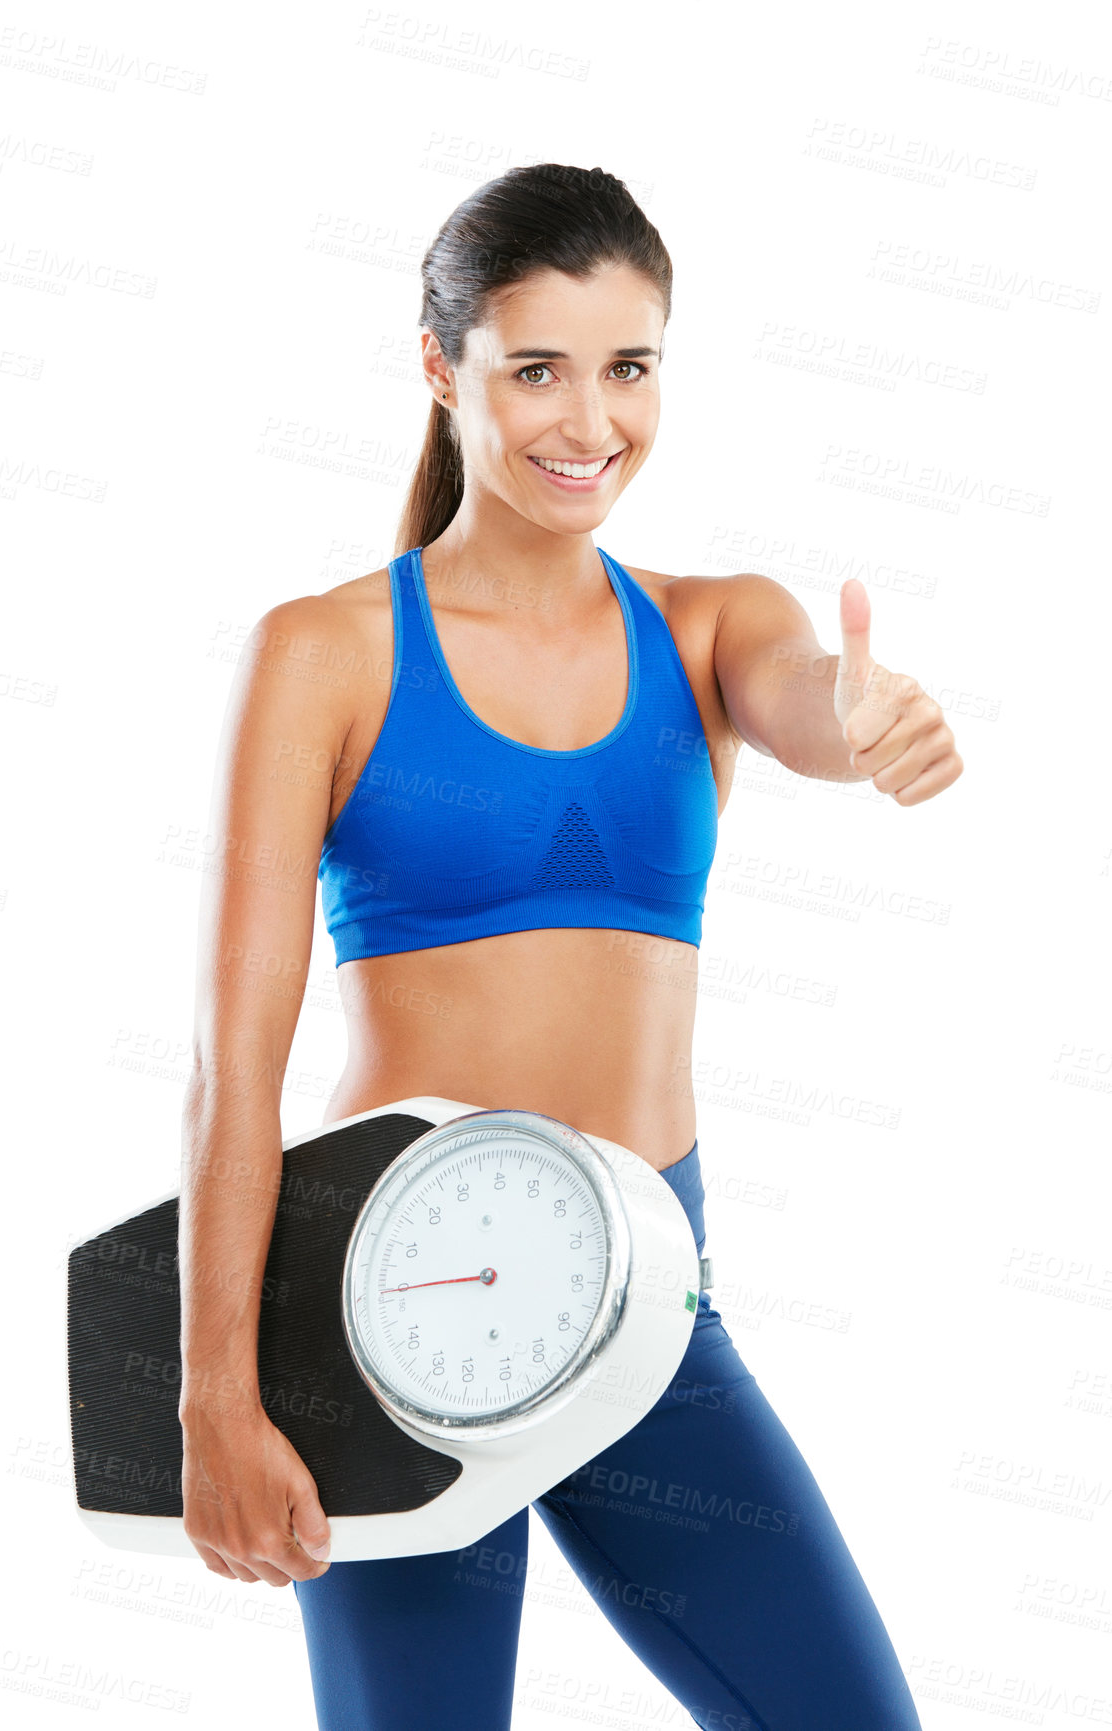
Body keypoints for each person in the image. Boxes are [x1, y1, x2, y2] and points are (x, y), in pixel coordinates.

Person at [178, 163, 961, 1729]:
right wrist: (216, 1393)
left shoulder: (708, 624)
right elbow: (232, 1068)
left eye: (629, 366)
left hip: (645, 1306)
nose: (585, 421)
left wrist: (867, 722)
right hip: (385, 1318)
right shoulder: (322, 652)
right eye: (535, 368)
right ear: (438, 363)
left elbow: (805, 698)